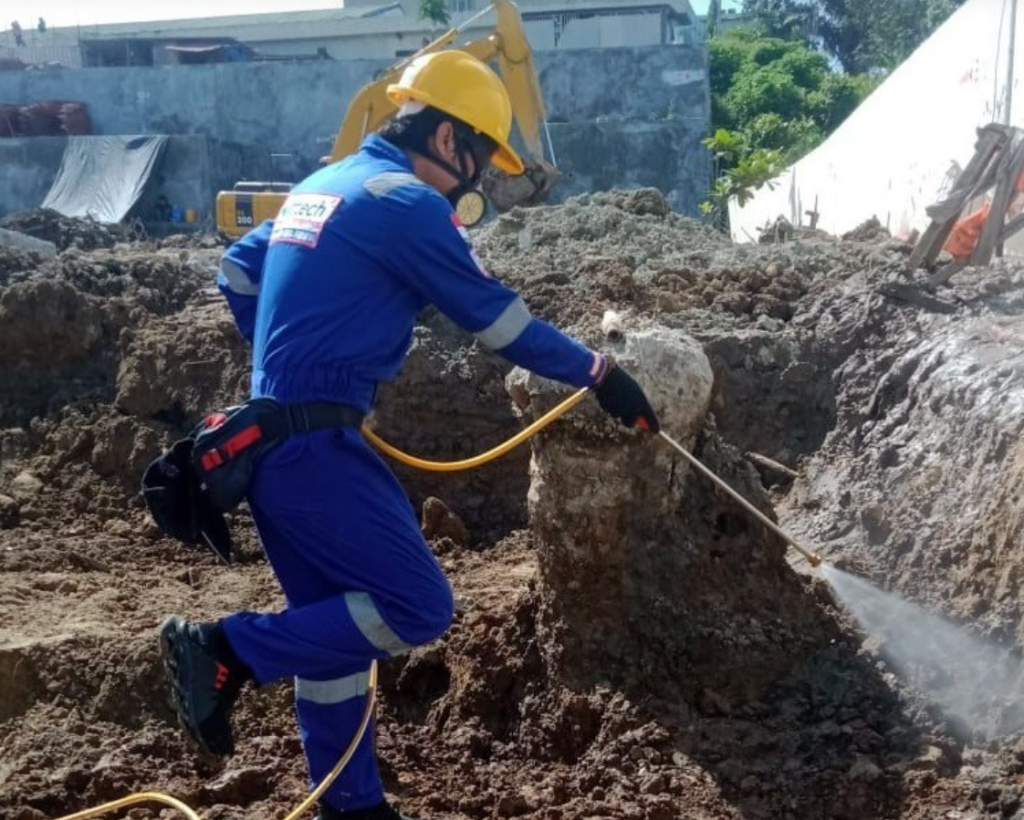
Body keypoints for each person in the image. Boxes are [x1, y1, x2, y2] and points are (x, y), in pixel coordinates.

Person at [158, 49, 659, 820]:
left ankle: (353, 806)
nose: (472, 186)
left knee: (336, 640)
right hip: (314, 446)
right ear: (449, 138)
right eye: (477, 164)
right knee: (416, 606)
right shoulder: (405, 202)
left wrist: (285, 356)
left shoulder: (320, 187)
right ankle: (224, 650)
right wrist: (600, 374)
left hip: (271, 441)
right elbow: (502, 326)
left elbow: (237, 270)